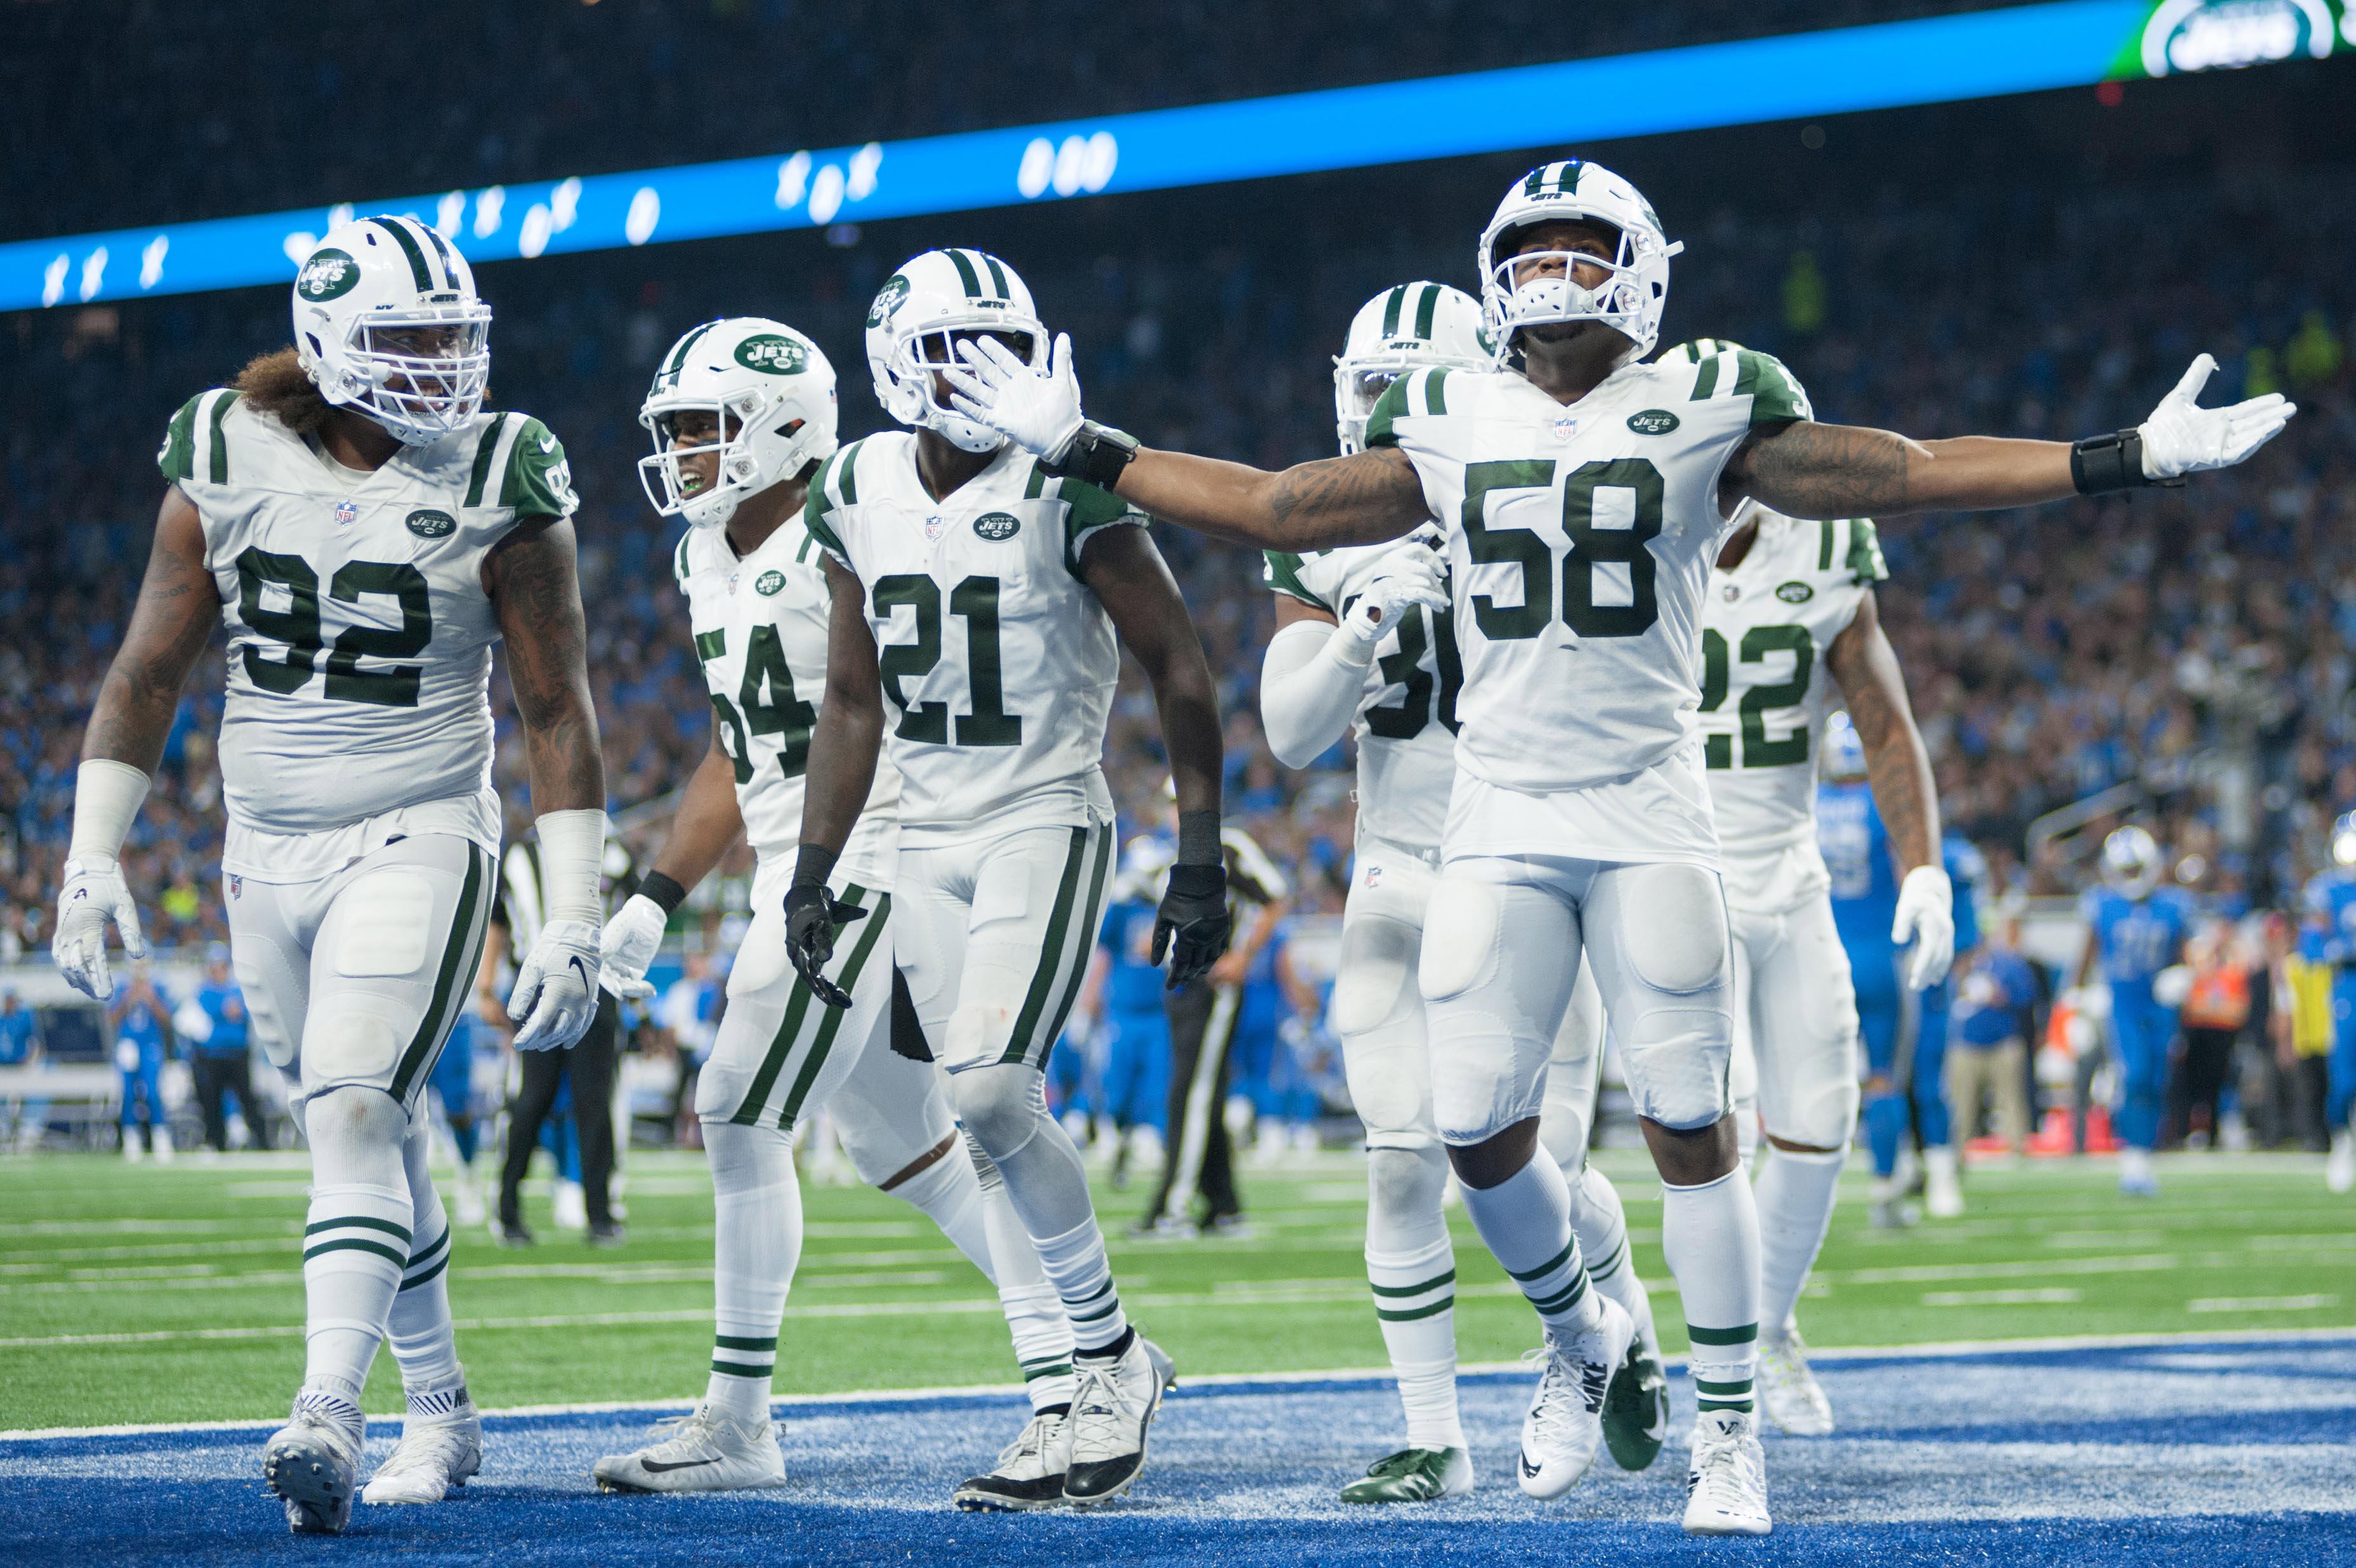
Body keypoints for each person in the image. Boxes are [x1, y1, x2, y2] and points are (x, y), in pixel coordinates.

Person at [942, 155, 2291, 1535]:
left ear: (1643, 269)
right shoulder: (1447, 408)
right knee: (1471, 1132)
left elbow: (1904, 471)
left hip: (1650, 812)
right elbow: (1280, 506)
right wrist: (1088, 445)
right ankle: (1582, 1332)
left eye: (1586, 242)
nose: (1554, 265)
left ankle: (1727, 1436)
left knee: (1687, 1129)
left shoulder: (1709, 394)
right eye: (1532, 243)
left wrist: (2114, 458)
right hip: (1500, 818)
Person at [51, 215, 607, 1532]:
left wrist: (572, 906)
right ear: (325, 346)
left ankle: (326, 1413)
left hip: (419, 823)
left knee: (358, 1102)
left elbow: (556, 706)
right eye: (410, 339)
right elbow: (147, 664)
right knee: (367, 1129)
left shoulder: (504, 465)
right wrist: (89, 853)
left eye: (454, 336)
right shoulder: (222, 447)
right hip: (263, 844)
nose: (444, 364)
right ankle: (444, 1407)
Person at [586, 317, 1073, 1501]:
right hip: (792, 862)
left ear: (783, 427)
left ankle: (741, 1423)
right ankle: (1086, 1356)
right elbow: (738, 746)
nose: (685, 454)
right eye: (676, 432)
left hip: (867, 854)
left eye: (704, 429)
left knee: (736, 1107)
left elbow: (898, 703)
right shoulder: (704, 554)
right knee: (900, 1142)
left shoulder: (849, 524)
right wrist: (657, 891)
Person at [792, 249, 1228, 1506]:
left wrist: (1196, 856)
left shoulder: (1061, 472)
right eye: (947, 348)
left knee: (988, 1090)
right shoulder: (854, 482)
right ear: (889, 361)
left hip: (1041, 809)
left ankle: (1110, 1359)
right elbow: (849, 695)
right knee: (981, 1128)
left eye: (996, 345)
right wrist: (815, 867)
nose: (975, 373)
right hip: (918, 831)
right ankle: (1061, 1396)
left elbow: (1180, 664)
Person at [1258, 280, 1664, 1501]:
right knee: (1397, 1159)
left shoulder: (1539, 500)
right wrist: (1355, 630)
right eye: (1365, 391)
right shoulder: (1325, 530)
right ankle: (1435, 1432)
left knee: (1529, 1162)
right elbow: (1287, 731)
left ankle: (1603, 1315)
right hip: (1392, 872)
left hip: (1535, 868)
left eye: (1401, 393)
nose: (1377, 420)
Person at [1683, 365, 1953, 1433]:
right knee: (1715, 1124)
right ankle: (1613, 1343)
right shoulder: (1632, 540)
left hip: (1785, 865)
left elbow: (1881, 722)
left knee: (1822, 1108)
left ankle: (1765, 1330)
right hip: (1667, 872)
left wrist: (1920, 864)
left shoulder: (1825, 542)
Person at [1133, 806, 1289, 1236]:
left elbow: (1275, 897)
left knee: (1191, 1093)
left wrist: (1242, 955)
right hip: (1180, 985)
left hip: (1212, 984)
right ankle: (1224, 1204)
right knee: (1201, 1094)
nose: (1171, 813)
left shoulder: (1228, 847)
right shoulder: (1165, 856)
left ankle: (1173, 1205)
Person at [1818, 721, 1940, 1232]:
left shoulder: (1810, 805)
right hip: (1878, 954)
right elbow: (1902, 868)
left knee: (1811, 1077)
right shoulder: (1877, 803)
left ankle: (1797, 1196)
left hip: (1822, 953)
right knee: (1885, 1078)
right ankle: (1886, 1189)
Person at [487, 831, 635, 1247]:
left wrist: (486, 987)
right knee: (551, 1099)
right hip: (578, 985)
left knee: (562, 1099)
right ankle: (591, 1215)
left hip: (566, 985)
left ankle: (518, 1211)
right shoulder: (610, 852)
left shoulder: (526, 854)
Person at [2077, 826, 2196, 1196]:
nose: (2131, 877)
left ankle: (2144, 1155)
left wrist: (2183, 976)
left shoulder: (2174, 904)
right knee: (2135, 1078)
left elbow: (2188, 955)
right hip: (2123, 1006)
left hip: (2160, 1007)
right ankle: (2132, 1158)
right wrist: (2074, 1002)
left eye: (2135, 868)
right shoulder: (2102, 904)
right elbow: (2086, 956)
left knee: (2156, 1081)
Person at [1912, 833, 1985, 1215]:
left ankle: (1942, 1172)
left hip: (1930, 982)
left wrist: (1954, 977)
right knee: (1885, 1081)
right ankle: (1897, 1171)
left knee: (1930, 1081)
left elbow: (1969, 937)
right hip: (1882, 973)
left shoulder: (1955, 857)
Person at [1948, 916, 2040, 1157]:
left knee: (2011, 1101)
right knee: (1960, 1105)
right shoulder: (1958, 964)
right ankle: (1953, 1151)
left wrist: (2001, 996)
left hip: (2002, 1043)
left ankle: (2019, 1148)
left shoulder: (2008, 963)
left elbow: (2027, 998)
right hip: (1966, 1044)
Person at [2300, 812, 2356, 1192]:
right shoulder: (2327, 890)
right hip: (2347, 986)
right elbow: (2311, 946)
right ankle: (2343, 1143)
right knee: (2346, 1076)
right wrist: (2339, 951)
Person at [2170, 921, 2252, 1147]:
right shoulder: (2195, 976)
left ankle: (2213, 1133)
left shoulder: (2230, 975)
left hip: (2221, 1038)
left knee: (2215, 1087)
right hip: (2196, 1036)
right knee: (2189, 1085)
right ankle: (2185, 1131)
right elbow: (2189, 1008)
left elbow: (2237, 1011)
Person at [188, 943, 270, 1152]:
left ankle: (262, 1140)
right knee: (212, 1101)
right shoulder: (204, 991)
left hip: (237, 1053)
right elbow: (208, 1015)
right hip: (212, 1054)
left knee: (247, 1099)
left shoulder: (237, 989)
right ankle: (217, 1141)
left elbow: (239, 1012)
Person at [110, 964, 174, 1161]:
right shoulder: (122, 987)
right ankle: (131, 1138)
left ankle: (160, 1135)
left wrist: (151, 998)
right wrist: (128, 999)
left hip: (150, 1045)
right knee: (128, 1094)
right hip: (128, 1044)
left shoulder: (159, 986)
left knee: (153, 1092)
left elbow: (167, 1019)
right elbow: (112, 1019)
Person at [0, 989, 45, 1150]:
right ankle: (3, 1129)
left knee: (42, 1079)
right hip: (3, 1067)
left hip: (21, 1066)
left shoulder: (25, 1017)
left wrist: (30, 1062)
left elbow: (38, 1045)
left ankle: (30, 1130)